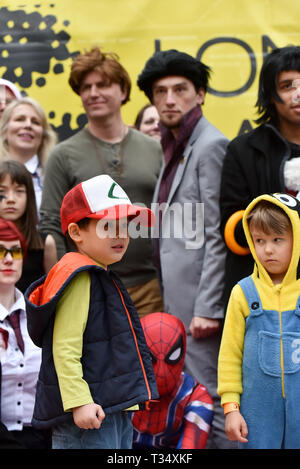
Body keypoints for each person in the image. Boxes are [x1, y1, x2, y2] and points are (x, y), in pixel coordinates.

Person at [137, 49, 230, 448]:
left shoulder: (209, 145)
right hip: (176, 299)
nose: (170, 99)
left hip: (199, 309)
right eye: (161, 92)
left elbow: (217, 233)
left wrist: (208, 308)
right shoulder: (174, 146)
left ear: (201, 94)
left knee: (209, 398)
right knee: (190, 396)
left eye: (180, 89)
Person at [25, 174, 158, 449]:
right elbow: (65, 349)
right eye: (108, 225)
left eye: (125, 226)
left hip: (110, 408)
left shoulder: (99, 275)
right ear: (76, 233)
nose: (121, 234)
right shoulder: (79, 277)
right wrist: (79, 401)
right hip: (89, 414)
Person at [39, 46, 163, 318]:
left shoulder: (154, 149)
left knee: (151, 361)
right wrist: (68, 285)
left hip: (149, 288)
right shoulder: (63, 154)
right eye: (86, 87)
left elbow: (166, 217)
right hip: (89, 286)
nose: (93, 93)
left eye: (103, 85)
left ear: (124, 91)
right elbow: (51, 225)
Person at [218, 193, 300, 449]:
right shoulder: (243, 293)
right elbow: (230, 355)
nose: (267, 249)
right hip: (256, 416)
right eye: (259, 240)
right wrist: (231, 408)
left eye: (277, 240)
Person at [220, 45, 300, 307]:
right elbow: (233, 228)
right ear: (271, 95)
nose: (298, 94)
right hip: (262, 293)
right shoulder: (243, 150)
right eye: (287, 86)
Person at [0, 219, 51, 448]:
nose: (9, 259)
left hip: (42, 437)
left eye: (16, 251)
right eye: (0, 250)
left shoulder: (39, 314)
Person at [131, 312, 214, 449]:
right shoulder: (119, 388)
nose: (161, 371)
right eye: (151, 359)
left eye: (172, 357)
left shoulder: (195, 397)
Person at [0, 160, 57, 293]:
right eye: (2, 191)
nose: (10, 199)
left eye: (19, 191)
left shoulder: (45, 243)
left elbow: (53, 293)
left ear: (29, 196)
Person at [0, 96, 57, 213]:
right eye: (19, 119)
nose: (28, 125)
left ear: (44, 135)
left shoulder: (56, 177)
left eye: (35, 122)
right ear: (4, 131)